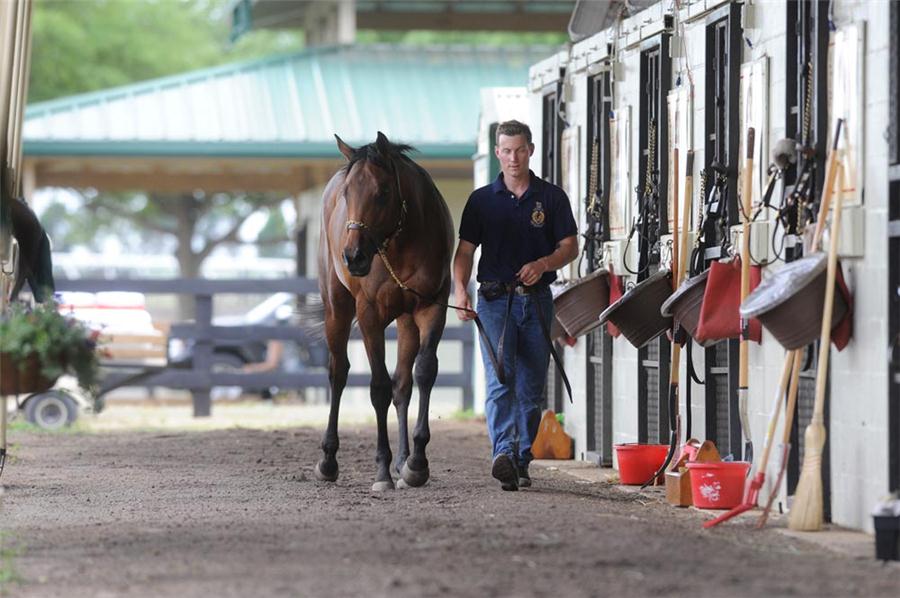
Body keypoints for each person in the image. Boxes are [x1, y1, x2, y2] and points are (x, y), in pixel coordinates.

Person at [453, 120, 578, 491]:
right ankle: (503, 453)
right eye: (506, 151)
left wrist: (542, 265)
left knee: (531, 388)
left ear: (531, 151)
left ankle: (522, 457)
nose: (513, 158)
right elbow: (464, 252)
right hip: (493, 301)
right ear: (497, 153)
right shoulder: (480, 201)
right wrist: (460, 290)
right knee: (499, 380)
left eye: (520, 150)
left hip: (537, 302)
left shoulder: (552, 198)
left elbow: (569, 246)